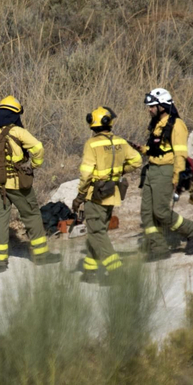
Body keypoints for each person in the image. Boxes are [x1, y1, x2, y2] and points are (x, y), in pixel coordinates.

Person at [0, 96, 52, 272]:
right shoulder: (18, 132)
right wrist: (34, 165)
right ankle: (41, 255)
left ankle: (0, 262)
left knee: (1, 220)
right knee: (32, 216)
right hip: (18, 184)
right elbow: (38, 148)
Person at [74, 106, 143, 283]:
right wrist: (119, 172)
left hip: (95, 195)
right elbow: (137, 161)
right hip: (112, 192)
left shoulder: (92, 144)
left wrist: (80, 196)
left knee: (97, 233)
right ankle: (89, 272)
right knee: (98, 232)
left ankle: (116, 271)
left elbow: (86, 174)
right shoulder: (120, 141)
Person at [139, 87, 193, 259]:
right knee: (147, 212)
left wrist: (176, 177)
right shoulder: (156, 125)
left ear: (162, 106)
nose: (150, 109)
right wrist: (141, 149)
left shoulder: (177, 125)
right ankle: (159, 249)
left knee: (160, 211)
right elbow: (158, 149)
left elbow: (180, 154)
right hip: (152, 171)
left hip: (165, 171)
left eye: (152, 106)